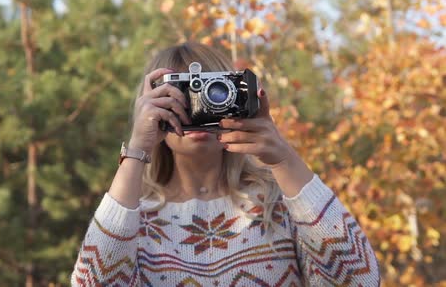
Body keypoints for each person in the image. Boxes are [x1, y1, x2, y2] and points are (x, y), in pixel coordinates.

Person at [71, 42, 380, 286]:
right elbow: (94, 281)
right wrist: (137, 149)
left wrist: (284, 159)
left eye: (210, 91)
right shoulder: (133, 220)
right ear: (151, 108)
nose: (198, 106)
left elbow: (359, 278)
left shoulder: (282, 203)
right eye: (181, 95)